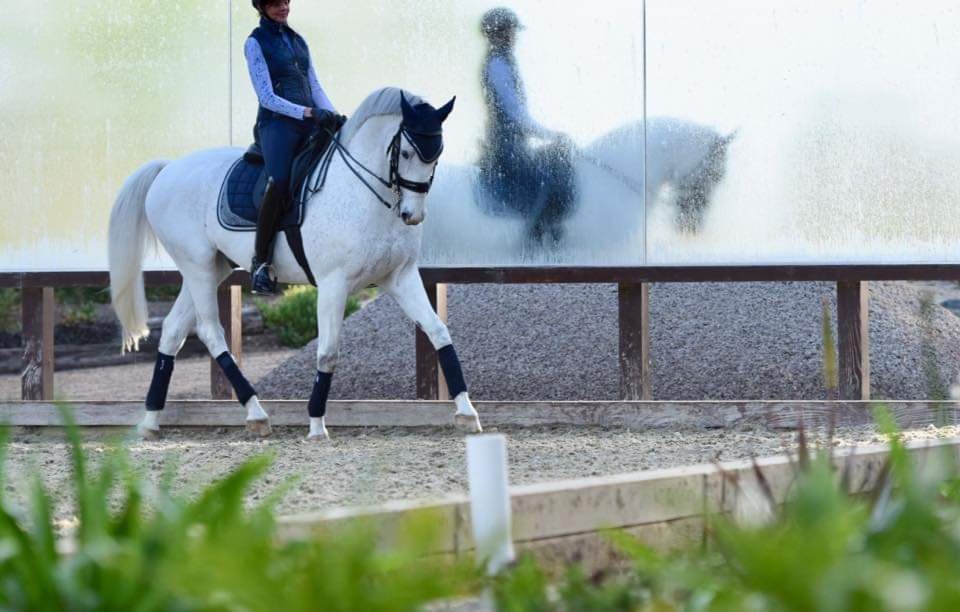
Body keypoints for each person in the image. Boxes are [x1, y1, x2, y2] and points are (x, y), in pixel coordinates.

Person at [245, 0, 339, 295]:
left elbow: (315, 86)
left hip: (310, 118)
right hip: (277, 124)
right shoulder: (255, 42)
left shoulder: (298, 40)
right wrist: (306, 113)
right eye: (275, 4)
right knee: (280, 181)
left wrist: (335, 115)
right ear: (261, 6)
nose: (283, 7)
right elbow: (266, 97)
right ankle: (260, 263)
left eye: (285, 1)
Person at [478, 7, 577, 244]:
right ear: (499, 33)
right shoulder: (497, 65)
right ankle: (535, 235)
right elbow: (515, 112)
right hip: (505, 144)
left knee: (556, 163)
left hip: (514, 141)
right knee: (545, 178)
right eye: (511, 31)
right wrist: (549, 134)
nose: (514, 37)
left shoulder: (504, 61)